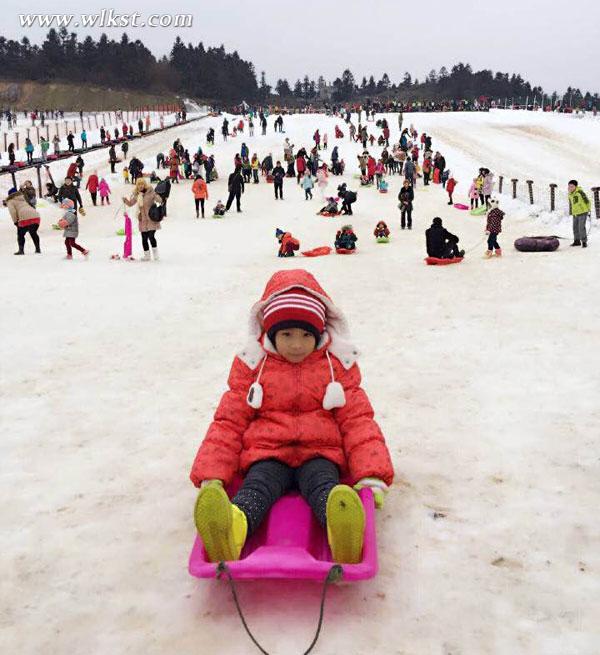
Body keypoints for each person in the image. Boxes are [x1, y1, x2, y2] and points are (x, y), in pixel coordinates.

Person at [190, 269, 393, 564]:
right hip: (268, 452)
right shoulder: (253, 366)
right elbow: (229, 420)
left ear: (320, 333)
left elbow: (358, 419)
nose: (296, 344)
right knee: (256, 489)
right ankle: (230, 529)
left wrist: (372, 473)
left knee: (324, 488)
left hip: (319, 452)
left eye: (305, 335)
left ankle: (344, 531)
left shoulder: (336, 366)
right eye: (286, 334)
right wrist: (212, 473)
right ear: (270, 334)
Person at [122, 178, 163, 261]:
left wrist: (159, 197)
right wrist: (125, 200)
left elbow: (160, 200)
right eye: (139, 184)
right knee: (144, 238)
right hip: (143, 220)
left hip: (151, 218)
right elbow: (130, 203)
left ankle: (155, 254)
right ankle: (147, 256)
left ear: (145, 185)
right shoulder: (137, 195)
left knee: (151, 236)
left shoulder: (151, 193)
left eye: (142, 184)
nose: (140, 186)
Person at [5, 187, 41, 255]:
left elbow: (12, 212)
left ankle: (21, 250)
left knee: (20, 234)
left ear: (9, 195)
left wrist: (15, 222)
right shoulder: (23, 198)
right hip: (35, 216)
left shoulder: (10, 201)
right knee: (33, 233)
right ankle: (38, 249)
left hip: (25, 218)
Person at [568, 180, 591, 248]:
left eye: (572, 186)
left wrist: (588, 210)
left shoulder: (580, 193)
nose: (570, 188)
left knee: (581, 227)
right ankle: (577, 241)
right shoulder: (570, 194)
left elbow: (587, 201)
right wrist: (571, 212)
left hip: (583, 212)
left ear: (576, 187)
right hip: (575, 213)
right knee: (575, 228)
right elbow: (571, 204)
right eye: (569, 186)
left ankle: (584, 242)